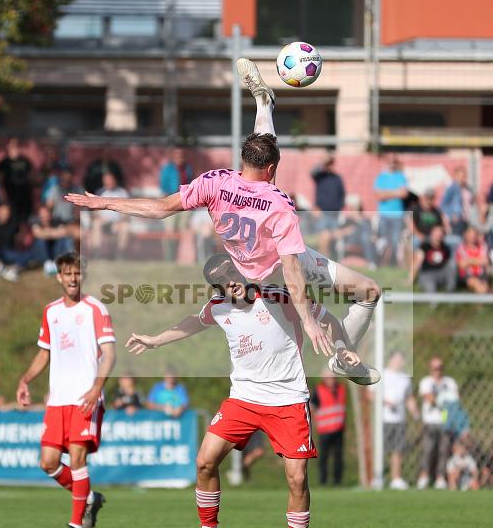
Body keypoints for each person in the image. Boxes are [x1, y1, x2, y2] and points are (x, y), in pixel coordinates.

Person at [67, 59, 381, 387]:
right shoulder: (279, 204)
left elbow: (159, 208)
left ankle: (264, 103)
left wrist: (105, 202)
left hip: (249, 268)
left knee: (334, 312)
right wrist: (307, 320)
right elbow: (291, 269)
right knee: (365, 294)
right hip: (275, 271)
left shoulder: (215, 181)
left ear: (243, 160)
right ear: (273, 169)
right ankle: (343, 355)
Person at [125, 253, 364, 528]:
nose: (230, 283)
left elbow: (328, 319)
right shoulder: (218, 307)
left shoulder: (279, 295)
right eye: (221, 282)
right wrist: (156, 340)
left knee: (297, 477)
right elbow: (194, 323)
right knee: (204, 462)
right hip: (244, 399)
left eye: (232, 274)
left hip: (288, 398)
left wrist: (344, 349)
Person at [15, 252, 115, 528]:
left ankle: (75, 526)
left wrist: (96, 388)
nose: (73, 278)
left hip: (85, 397)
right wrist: (25, 380)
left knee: (77, 458)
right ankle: (90, 498)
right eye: (67, 273)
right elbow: (44, 352)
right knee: (47, 462)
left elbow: (110, 354)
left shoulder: (96, 309)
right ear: (58, 277)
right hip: (57, 399)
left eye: (77, 273)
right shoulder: (51, 311)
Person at [375, 352, 418, 490]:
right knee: (380, 449)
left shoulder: (405, 378)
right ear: (390, 360)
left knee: (398, 450)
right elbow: (371, 394)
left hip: (399, 419)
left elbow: (409, 398)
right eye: (396, 359)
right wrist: (386, 402)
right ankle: (377, 477)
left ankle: (396, 478)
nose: (399, 362)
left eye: (401, 360)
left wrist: (415, 412)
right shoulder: (381, 374)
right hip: (383, 418)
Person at [310, 368, 347, 486]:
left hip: (339, 428)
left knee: (338, 455)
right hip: (325, 430)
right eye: (329, 377)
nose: (332, 380)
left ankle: (337, 480)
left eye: (333, 377)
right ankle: (323, 480)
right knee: (324, 456)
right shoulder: (318, 390)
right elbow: (312, 407)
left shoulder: (341, 389)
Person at [0, 202, 36, 282]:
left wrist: (22, 239)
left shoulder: (14, 223)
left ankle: (11, 270)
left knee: (31, 254)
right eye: (3, 210)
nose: (6, 213)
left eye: (7, 210)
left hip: (8, 252)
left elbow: (20, 237)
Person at [374, 153, 409, 267]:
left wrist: (387, 193)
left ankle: (392, 263)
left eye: (394, 161)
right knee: (382, 241)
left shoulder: (400, 176)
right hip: (384, 214)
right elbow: (379, 196)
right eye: (389, 160)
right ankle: (380, 262)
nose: (391, 163)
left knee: (395, 241)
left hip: (397, 215)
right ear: (386, 161)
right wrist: (396, 192)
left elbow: (404, 193)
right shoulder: (381, 177)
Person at [311, 153, 346, 259]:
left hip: (334, 214)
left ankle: (329, 262)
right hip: (322, 214)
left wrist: (339, 208)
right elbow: (313, 172)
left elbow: (342, 195)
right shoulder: (320, 176)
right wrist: (323, 162)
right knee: (324, 237)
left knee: (332, 240)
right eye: (328, 163)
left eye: (330, 163)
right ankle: (321, 263)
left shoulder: (337, 178)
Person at [0, 138, 34, 221]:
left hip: (25, 194)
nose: (15, 149)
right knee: (13, 217)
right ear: (8, 147)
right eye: (13, 146)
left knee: (25, 217)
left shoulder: (25, 161)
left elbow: (31, 175)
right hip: (11, 195)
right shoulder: (4, 162)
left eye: (17, 146)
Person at [31, 206, 75, 275]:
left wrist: (46, 233)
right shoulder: (35, 222)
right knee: (40, 241)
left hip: (55, 250)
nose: (45, 218)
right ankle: (47, 264)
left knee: (64, 239)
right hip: (42, 253)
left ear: (50, 215)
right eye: (43, 216)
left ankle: (57, 262)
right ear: (39, 216)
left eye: (47, 215)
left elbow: (64, 232)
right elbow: (38, 234)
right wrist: (54, 233)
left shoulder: (57, 220)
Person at [412, 225, 456, 293]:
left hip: (441, 274)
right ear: (431, 234)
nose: (439, 234)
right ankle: (433, 302)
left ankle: (450, 295)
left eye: (441, 232)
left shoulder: (446, 247)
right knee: (430, 287)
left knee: (452, 264)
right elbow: (417, 263)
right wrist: (410, 280)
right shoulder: (424, 246)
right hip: (427, 274)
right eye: (436, 232)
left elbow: (451, 265)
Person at [440, 166, 474, 237]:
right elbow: (443, 205)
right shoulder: (452, 188)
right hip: (457, 220)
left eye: (464, 176)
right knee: (457, 240)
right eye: (461, 176)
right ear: (455, 176)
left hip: (467, 219)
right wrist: (451, 215)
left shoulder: (468, 188)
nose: (463, 178)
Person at [455, 226, 490, 293]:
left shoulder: (482, 246)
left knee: (484, 287)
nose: (472, 237)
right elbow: (461, 264)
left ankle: (479, 302)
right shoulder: (461, 248)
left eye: (474, 234)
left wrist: (469, 261)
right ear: (465, 235)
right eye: (470, 235)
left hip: (481, 274)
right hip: (467, 275)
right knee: (477, 284)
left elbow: (485, 261)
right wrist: (478, 261)